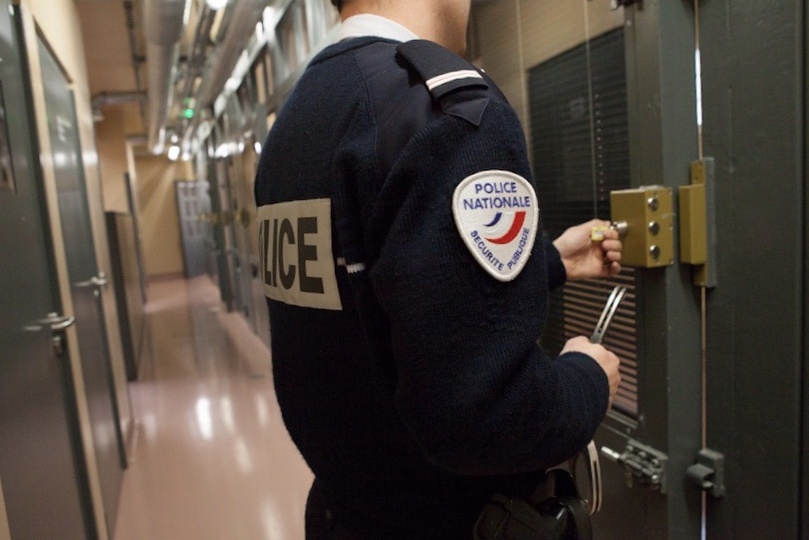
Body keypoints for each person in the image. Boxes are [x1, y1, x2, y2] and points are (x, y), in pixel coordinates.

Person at [253, 0, 623, 538]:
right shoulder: (445, 111)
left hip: (350, 514)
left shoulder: (299, 121)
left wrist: (552, 259)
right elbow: (486, 416)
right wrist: (587, 379)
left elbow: (379, 289)